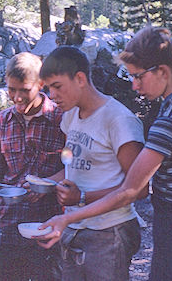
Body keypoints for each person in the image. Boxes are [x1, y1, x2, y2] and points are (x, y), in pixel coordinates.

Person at [39, 27, 172, 281]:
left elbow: (132, 189)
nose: (134, 86)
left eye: (138, 77)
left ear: (162, 72)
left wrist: (71, 214)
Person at [31, 46, 145, 281]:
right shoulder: (70, 116)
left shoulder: (119, 120)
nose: (52, 95)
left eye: (57, 87)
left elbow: (138, 188)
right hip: (75, 228)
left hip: (110, 231)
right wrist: (43, 184)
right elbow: (76, 166)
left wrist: (81, 197)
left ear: (80, 78)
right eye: (48, 88)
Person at [0, 52, 65, 281]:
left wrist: (49, 183)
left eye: (24, 90)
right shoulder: (0, 122)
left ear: (41, 84)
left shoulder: (62, 119)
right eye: (12, 90)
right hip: (7, 225)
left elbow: (76, 167)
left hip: (48, 226)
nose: (17, 97)